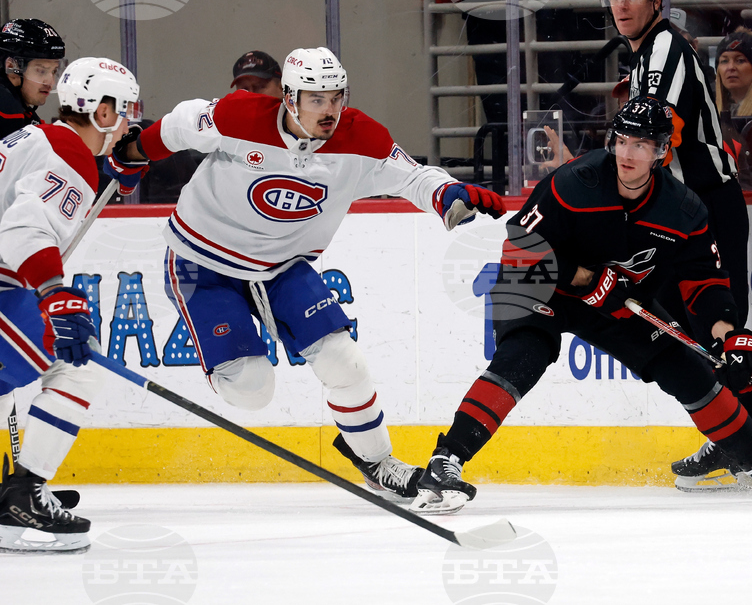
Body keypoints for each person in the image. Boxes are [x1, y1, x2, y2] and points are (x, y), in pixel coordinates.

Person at [106, 47, 506, 504]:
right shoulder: (239, 116)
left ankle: (377, 465)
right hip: (204, 263)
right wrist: (132, 154)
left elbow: (412, 177)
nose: (329, 110)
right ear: (290, 98)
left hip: (280, 268)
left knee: (345, 361)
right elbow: (179, 125)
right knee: (253, 389)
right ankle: (225, 358)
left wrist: (448, 194)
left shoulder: (361, 139)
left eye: (337, 98)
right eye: (316, 99)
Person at [412, 98, 752, 514]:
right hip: (539, 288)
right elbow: (522, 246)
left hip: (619, 300)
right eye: (621, 140)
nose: (627, 153)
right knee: (523, 356)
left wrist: (727, 336)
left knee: (686, 368)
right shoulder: (574, 183)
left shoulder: (684, 210)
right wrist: (586, 278)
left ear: (662, 151)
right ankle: (446, 461)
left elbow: (706, 283)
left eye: (641, 144)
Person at [601, 0, 752, 488]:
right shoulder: (642, 56)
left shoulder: (664, 47)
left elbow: (650, 131)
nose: (622, 5)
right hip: (679, 209)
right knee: (691, 333)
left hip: (707, 204)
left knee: (719, 324)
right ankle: (733, 438)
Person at [0, 57, 141, 553]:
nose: (128, 124)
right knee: (77, 364)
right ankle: (22, 496)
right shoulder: (67, 154)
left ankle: (18, 491)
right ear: (101, 112)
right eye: (123, 112)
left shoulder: (43, 140)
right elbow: (22, 229)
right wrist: (53, 292)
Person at [0, 19, 65, 138]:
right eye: (41, 71)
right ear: (11, 67)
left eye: (54, 71)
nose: (50, 82)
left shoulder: (21, 110)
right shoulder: (6, 112)